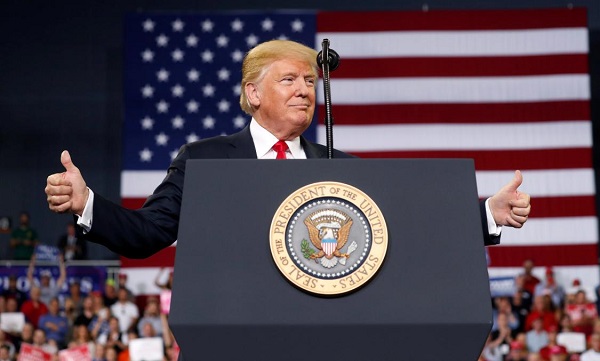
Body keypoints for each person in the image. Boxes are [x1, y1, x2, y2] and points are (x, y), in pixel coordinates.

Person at [44, 40, 531, 260]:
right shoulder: (205, 159)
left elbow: (409, 222)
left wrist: (486, 211)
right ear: (253, 93)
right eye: (289, 79)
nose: (304, 90)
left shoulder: (339, 166)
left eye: (309, 81)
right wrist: (88, 204)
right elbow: (147, 233)